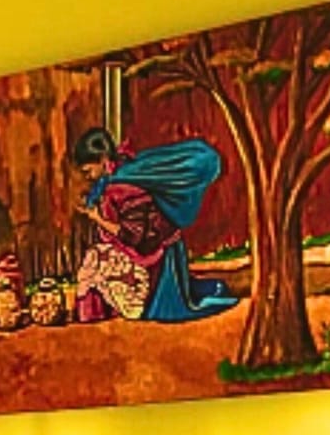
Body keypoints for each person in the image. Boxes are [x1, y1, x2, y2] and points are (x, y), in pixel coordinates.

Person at [72, 127, 238, 323]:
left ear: (103, 160)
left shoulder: (123, 188)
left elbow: (133, 235)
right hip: (139, 248)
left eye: (88, 171)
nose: (87, 177)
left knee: (95, 263)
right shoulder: (114, 178)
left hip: (153, 254)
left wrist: (97, 218)